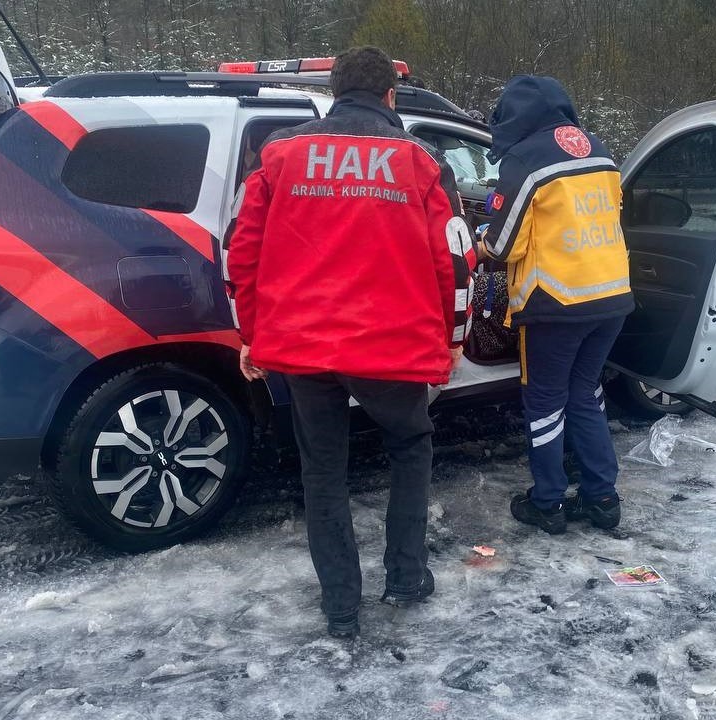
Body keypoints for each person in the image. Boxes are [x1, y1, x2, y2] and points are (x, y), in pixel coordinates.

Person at [227, 47, 475, 638]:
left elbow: (242, 251)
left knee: (323, 471)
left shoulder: (281, 156)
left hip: (304, 349)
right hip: (391, 348)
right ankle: (407, 576)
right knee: (410, 446)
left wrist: (251, 334)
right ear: (391, 96)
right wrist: (454, 337)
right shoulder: (419, 161)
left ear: (333, 94)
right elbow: (457, 260)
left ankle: (341, 606)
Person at [479, 75, 634, 535]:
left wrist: (477, 243)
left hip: (556, 301)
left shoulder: (525, 159)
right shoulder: (598, 149)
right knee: (584, 395)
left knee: (545, 403)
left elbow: (505, 246)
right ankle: (602, 498)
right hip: (611, 297)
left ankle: (547, 503)